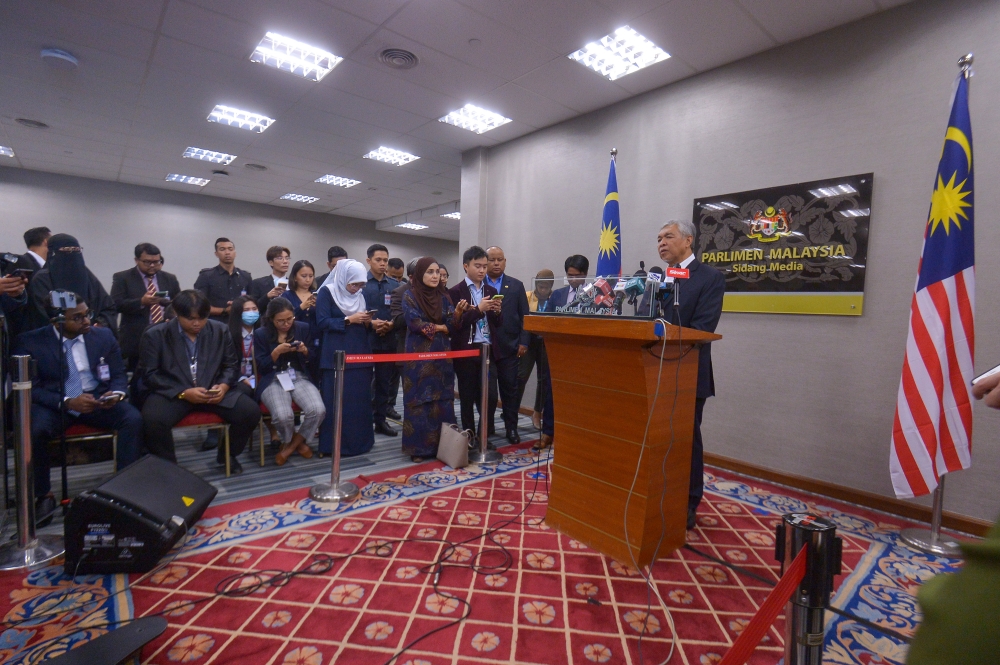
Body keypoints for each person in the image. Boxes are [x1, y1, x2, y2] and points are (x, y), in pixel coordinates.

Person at [13, 295, 142, 526]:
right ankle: (43, 494)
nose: (86, 321)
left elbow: (119, 374)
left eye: (87, 314)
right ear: (56, 321)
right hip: (55, 404)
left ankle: (124, 487)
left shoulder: (102, 336)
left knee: (131, 418)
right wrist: (67, 402)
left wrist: (117, 394)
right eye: (78, 318)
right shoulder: (31, 342)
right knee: (35, 430)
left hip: (97, 399)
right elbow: (30, 389)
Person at [136, 289, 259, 474]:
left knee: (250, 412)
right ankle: (169, 467)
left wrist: (224, 386)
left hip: (212, 390)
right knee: (153, 419)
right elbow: (150, 374)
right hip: (176, 393)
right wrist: (183, 392)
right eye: (191, 319)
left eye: (202, 317)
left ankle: (228, 455)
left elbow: (231, 365)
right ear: (177, 314)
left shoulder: (219, 330)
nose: (197, 323)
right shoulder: (155, 335)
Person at [652, 220, 725, 530]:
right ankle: (658, 492)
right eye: (658, 239)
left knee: (686, 440)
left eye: (668, 236)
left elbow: (704, 327)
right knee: (657, 438)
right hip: (653, 371)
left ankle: (689, 501)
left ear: (688, 240)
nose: (661, 243)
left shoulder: (709, 277)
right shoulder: (659, 277)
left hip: (688, 372)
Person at [402, 257, 467, 461]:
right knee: (419, 401)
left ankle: (444, 446)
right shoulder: (409, 295)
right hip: (418, 358)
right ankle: (418, 450)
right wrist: (441, 327)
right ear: (420, 274)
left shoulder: (444, 297)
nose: (435, 276)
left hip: (442, 357)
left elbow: (453, 325)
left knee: (443, 400)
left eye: (437, 272)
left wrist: (457, 313)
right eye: (430, 272)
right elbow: (415, 323)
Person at [316, 259, 375, 457]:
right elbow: (322, 322)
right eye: (354, 284)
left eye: (361, 284)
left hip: (360, 351)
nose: (357, 288)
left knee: (359, 401)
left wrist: (368, 321)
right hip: (336, 352)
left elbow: (364, 320)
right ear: (344, 278)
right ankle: (333, 446)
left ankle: (361, 443)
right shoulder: (328, 292)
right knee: (337, 401)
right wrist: (349, 319)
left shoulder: (361, 294)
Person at [255, 298, 325, 465]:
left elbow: (314, 358)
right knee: (283, 416)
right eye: (281, 321)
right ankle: (297, 443)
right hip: (272, 378)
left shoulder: (302, 328)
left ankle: (290, 446)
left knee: (318, 409)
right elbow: (261, 366)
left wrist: (305, 350)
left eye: (289, 319)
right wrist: (276, 352)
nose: (286, 324)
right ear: (271, 319)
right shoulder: (261, 334)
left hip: (298, 375)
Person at [449, 246, 502, 440]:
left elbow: (497, 323)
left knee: (490, 397)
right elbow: (457, 325)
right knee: (467, 397)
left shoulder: (491, 289)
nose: (482, 270)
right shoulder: (455, 292)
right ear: (466, 266)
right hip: (466, 350)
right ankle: (469, 438)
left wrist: (496, 311)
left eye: (484, 266)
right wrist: (479, 309)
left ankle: (483, 438)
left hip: (487, 349)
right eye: (477, 266)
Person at [484, 246, 530, 445]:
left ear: (505, 261)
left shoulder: (516, 285)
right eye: (492, 260)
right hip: (485, 347)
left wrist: (523, 342)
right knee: (489, 393)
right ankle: (487, 427)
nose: (496, 263)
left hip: (510, 348)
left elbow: (524, 317)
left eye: (499, 259)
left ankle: (511, 428)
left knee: (509, 391)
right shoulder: (479, 284)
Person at [26, 234, 118, 333]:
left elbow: (108, 307)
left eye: (76, 250)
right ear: (52, 253)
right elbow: (42, 315)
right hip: (56, 340)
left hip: (90, 338)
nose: (73, 253)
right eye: (67, 250)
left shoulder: (87, 276)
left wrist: (100, 324)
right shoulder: (42, 279)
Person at [111, 242, 181, 372]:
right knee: (139, 376)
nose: (153, 265)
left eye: (157, 261)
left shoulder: (169, 278)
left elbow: (179, 303)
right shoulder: (122, 278)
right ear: (136, 260)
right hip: (136, 338)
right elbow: (116, 304)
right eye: (148, 262)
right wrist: (141, 302)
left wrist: (168, 304)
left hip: (166, 335)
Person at [362, 243, 400, 437]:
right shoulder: (360, 284)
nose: (383, 264)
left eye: (385, 260)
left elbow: (400, 312)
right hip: (366, 339)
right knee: (364, 382)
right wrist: (372, 323)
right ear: (368, 261)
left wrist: (391, 324)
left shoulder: (395, 285)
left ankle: (380, 420)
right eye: (378, 260)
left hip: (388, 340)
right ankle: (363, 420)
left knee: (385, 382)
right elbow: (355, 311)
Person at [519, 269, 555, 431]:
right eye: (540, 286)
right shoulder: (527, 296)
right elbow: (523, 320)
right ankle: (511, 410)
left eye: (545, 287)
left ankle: (537, 413)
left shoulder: (554, 298)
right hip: (529, 340)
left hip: (546, 342)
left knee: (544, 379)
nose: (542, 289)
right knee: (521, 375)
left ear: (550, 287)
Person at [387, 258, 420, 420]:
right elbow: (398, 321)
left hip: (433, 351)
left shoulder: (438, 292)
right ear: (413, 276)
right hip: (407, 349)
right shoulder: (400, 292)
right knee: (412, 397)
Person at [194, 237, 252, 323]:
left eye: (230, 249)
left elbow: (252, 301)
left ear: (235, 253)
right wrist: (225, 310)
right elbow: (199, 306)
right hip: (215, 324)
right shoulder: (206, 276)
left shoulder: (245, 276)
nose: (227, 252)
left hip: (241, 324)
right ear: (216, 254)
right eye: (222, 249)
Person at [281, 259, 319, 379]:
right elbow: (284, 318)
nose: (308, 280)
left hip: (315, 339)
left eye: (310, 276)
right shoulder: (287, 295)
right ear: (295, 277)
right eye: (303, 276)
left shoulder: (317, 294)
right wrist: (302, 307)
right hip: (295, 337)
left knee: (315, 372)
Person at [248, 245, 290, 313]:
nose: (285, 261)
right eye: (280, 258)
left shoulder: (294, 284)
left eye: (287, 258)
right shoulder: (258, 283)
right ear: (271, 262)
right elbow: (252, 308)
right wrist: (267, 296)